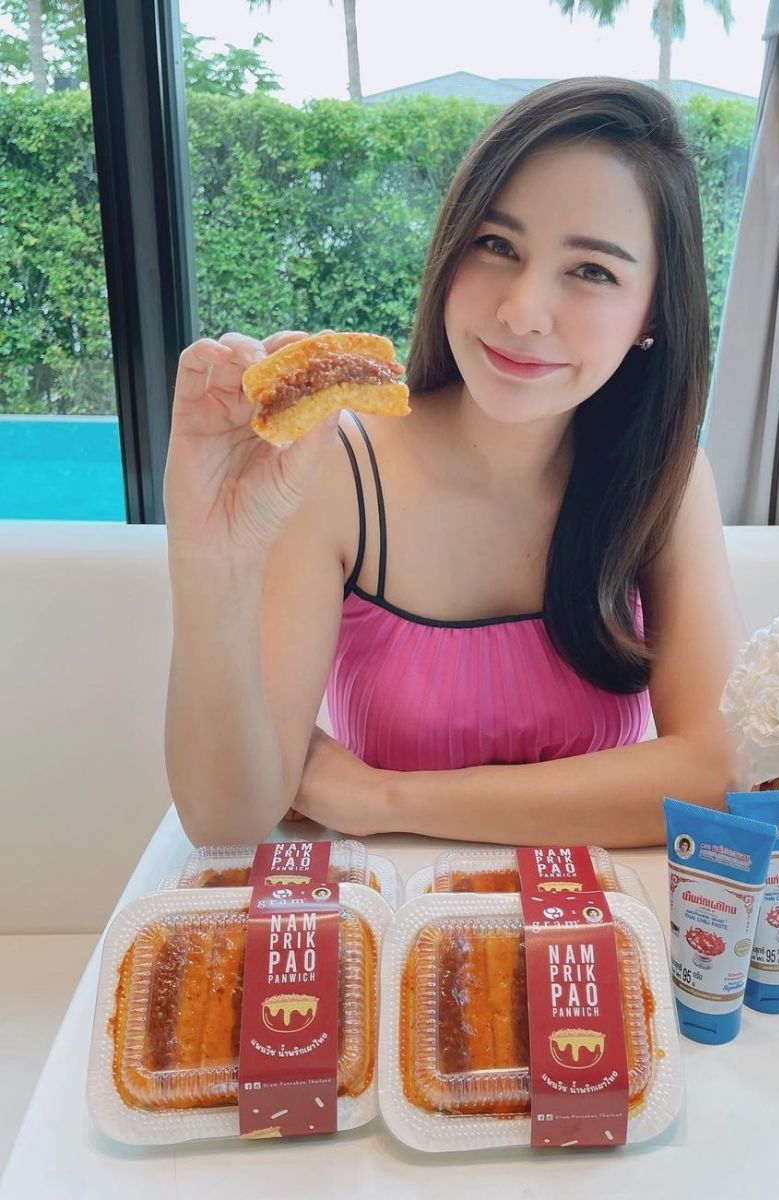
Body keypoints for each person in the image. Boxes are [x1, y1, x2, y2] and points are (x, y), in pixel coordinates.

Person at [164, 77, 746, 850]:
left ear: (653, 313)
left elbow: (716, 773)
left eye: (592, 271)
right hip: (391, 914)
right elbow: (225, 820)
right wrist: (212, 562)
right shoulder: (337, 470)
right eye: (497, 245)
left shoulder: (664, 482)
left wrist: (383, 797)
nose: (522, 311)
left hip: (591, 916)